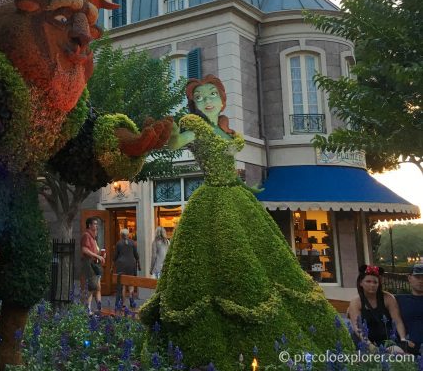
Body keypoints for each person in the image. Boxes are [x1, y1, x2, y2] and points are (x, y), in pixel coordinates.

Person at [140, 75, 353, 368]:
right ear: (194, 104)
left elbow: (229, 156)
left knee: (260, 252)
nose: (207, 100)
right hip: (213, 198)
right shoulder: (196, 128)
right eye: (200, 97)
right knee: (225, 250)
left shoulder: (227, 131)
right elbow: (179, 140)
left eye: (212, 94)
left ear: (223, 99)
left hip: (238, 195)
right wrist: (166, 134)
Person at [348, 265, 409, 353]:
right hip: (366, 340)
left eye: (375, 282)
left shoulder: (388, 298)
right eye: (368, 281)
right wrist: (369, 345)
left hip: (388, 339)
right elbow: (357, 327)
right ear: (361, 283)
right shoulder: (356, 301)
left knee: (398, 352)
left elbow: (398, 321)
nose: (372, 285)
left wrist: (403, 339)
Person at [395, 263, 423, 354]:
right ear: (409, 278)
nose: (421, 281)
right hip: (407, 349)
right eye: (417, 277)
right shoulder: (399, 300)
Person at [81, 217, 105, 314]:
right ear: (89, 225)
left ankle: (99, 307)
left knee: (98, 287)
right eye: (94, 224)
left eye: (97, 224)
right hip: (89, 264)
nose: (96, 225)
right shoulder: (86, 235)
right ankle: (87, 309)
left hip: (95, 264)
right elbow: (84, 250)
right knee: (91, 287)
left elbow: (95, 251)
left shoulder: (93, 237)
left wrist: (101, 255)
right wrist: (97, 256)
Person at [114, 228, 140, 309]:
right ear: (128, 235)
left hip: (121, 265)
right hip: (131, 265)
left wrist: (112, 265)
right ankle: (131, 300)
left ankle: (123, 303)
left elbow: (115, 256)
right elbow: (136, 255)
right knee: (130, 283)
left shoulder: (118, 243)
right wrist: (139, 264)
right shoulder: (132, 243)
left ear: (121, 235)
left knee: (123, 284)